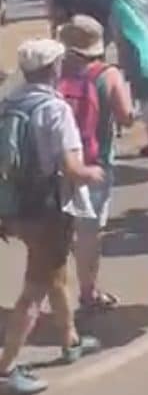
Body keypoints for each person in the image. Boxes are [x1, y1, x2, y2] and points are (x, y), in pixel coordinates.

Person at [0, 39, 106, 395]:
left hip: (15, 206)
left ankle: (69, 339)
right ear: (53, 69)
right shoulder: (55, 109)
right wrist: (93, 173)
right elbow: (72, 168)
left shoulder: (9, 104)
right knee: (34, 289)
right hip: (48, 207)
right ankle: (6, 367)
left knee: (55, 273)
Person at [57, 16, 133, 311]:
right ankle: (88, 293)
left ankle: (53, 291)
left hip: (58, 162)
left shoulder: (53, 71)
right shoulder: (107, 74)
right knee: (89, 233)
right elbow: (126, 116)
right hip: (95, 162)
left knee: (57, 231)